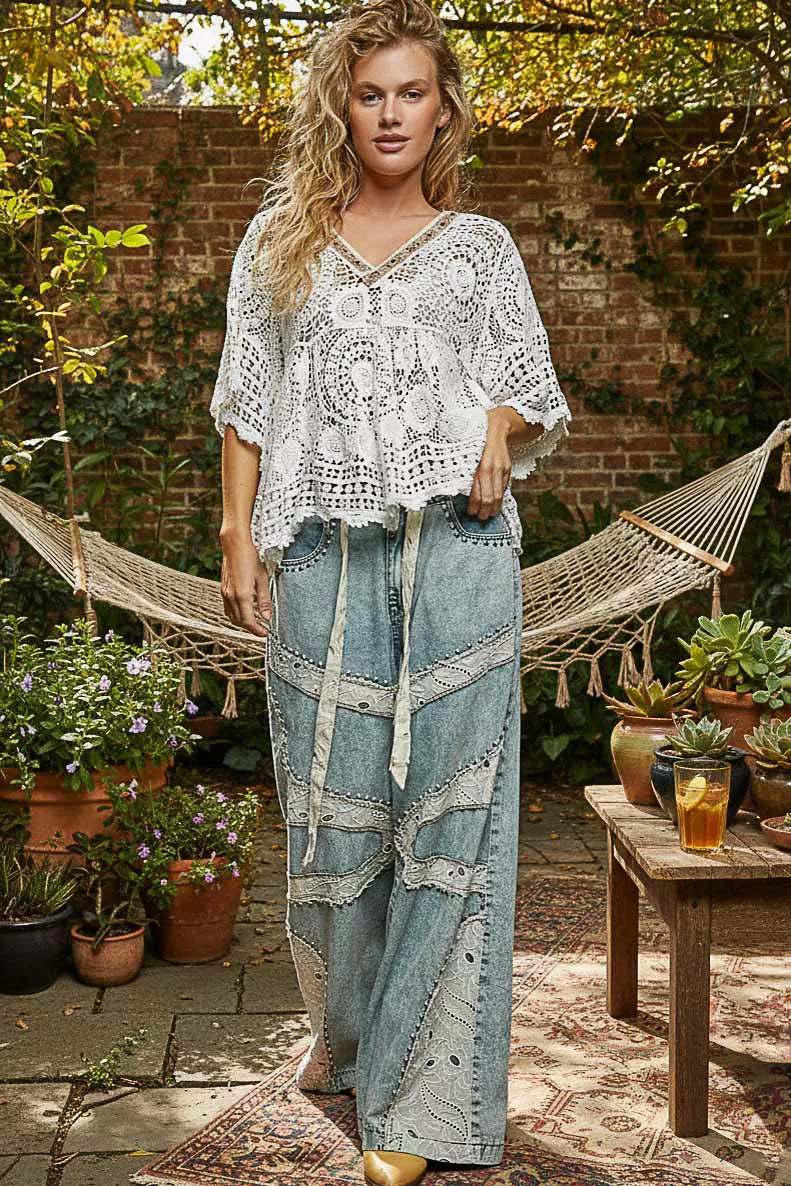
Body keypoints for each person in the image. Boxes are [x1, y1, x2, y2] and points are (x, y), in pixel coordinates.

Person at [211, 2, 572, 1182]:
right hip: (322, 553)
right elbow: (245, 400)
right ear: (340, 105)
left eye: (411, 93)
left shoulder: (478, 249)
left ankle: (422, 1108)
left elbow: (530, 390)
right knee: (333, 818)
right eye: (369, 93)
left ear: (442, 108)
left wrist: (494, 433)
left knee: (451, 823)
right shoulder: (278, 241)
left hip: (458, 550)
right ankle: (356, 1032)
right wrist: (236, 533)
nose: (389, 115)